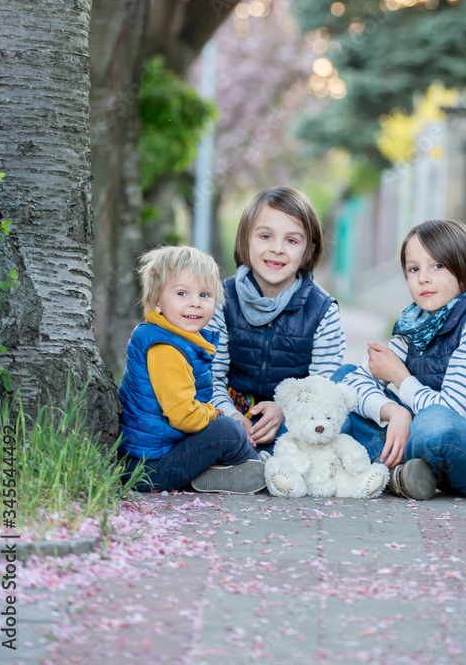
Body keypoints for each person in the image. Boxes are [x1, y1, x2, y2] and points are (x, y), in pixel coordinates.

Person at [341, 219, 466, 501]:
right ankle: (403, 473)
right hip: (430, 446)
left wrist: (399, 377)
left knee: (435, 425)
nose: (423, 278)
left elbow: (449, 411)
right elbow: (353, 382)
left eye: (437, 266)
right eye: (414, 269)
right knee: (342, 378)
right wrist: (393, 411)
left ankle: (359, 462)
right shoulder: (417, 322)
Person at [118, 245, 266, 494]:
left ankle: (228, 470)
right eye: (182, 293)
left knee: (227, 428)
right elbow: (183, 415)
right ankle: (249, 466)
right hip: (148, 468)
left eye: (205, 295)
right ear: (157, 302)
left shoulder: (179, 341)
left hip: (160, 453)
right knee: (228, 430)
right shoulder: (166, 349)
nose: (195, 303)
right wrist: (217, 415)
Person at [208, 187, 345, 450]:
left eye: (291, 241)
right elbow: (210, 377)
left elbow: (323, 385)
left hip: (294, 419)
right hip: (227, 410)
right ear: (245, 240)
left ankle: (263, 462)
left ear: (308, 250)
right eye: (265, 236)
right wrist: (232, 416)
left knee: (338, 425)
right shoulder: (220, 300)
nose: (277, 249)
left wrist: (284, 409)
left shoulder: (323, 310)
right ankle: (236, 456)